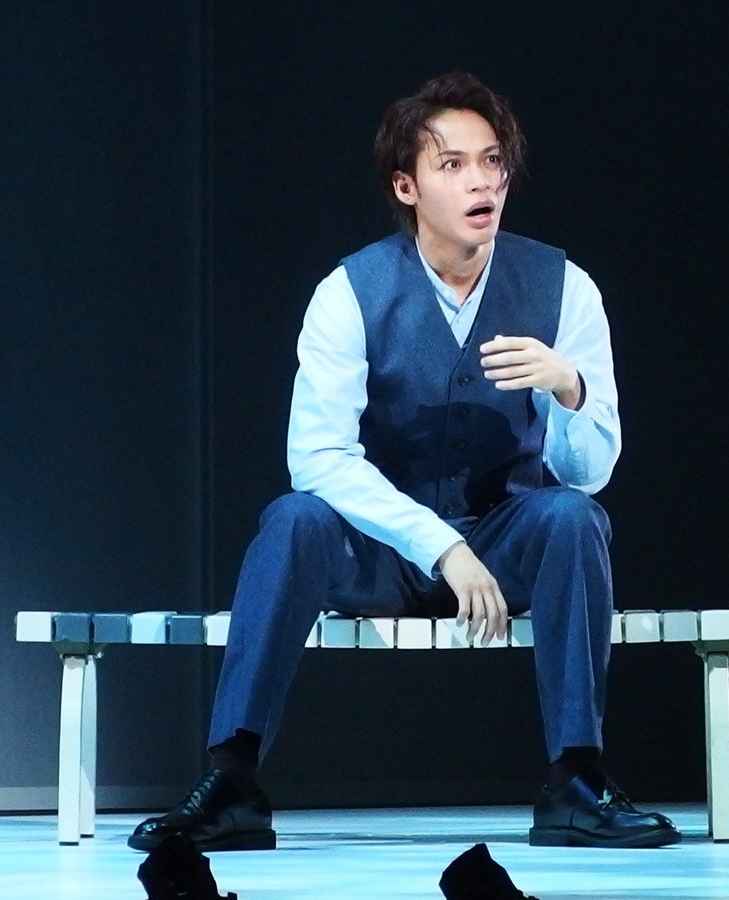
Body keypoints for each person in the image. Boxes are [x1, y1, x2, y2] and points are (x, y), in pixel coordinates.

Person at [130, 72, 680, 852]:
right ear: (407, 186)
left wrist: (570, 388)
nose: (481, 182)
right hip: (383, 550)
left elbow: (588, 472)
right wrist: (439, 546)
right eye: (453, 164)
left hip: (502, 538)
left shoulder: (566, 289)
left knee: (573, 516)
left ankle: (575, 780)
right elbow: (316, 457)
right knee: (293, 518)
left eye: (492, 162)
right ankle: (234, 780)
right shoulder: (350, 292)